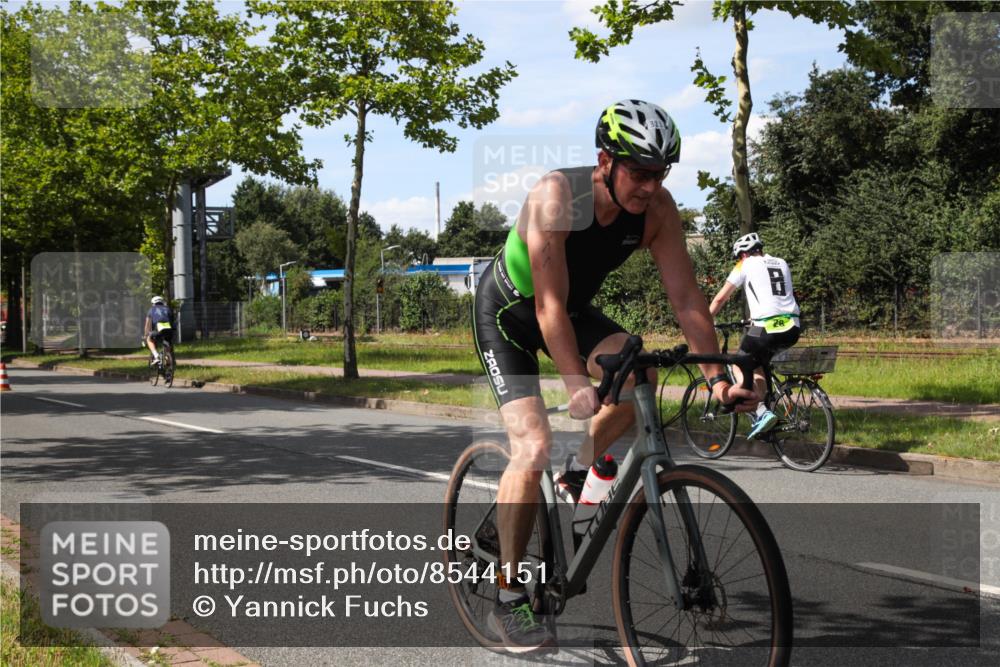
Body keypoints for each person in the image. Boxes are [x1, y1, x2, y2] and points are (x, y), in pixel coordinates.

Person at [471, 99, 758, 652]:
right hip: (510, 314)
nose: (651, 186)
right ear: (605, 160)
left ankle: (576, 475)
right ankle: (508, 598)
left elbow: (687, 297)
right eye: (640, 171)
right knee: (531, 447)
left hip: (569, 312)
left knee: (639, 372)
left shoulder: (658, 211)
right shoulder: (557, 197)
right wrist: (577, 382)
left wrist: (720, 378)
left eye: (661, 173)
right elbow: (548, 309)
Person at [708, 232, 801, 439]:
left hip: (766, 328)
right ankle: (765, 410)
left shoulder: (745, 264)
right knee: (757, 363)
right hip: (793, 326)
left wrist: (704, 321)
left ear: (742, 255)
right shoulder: (781, 262)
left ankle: (760, 411)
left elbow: (720, 298)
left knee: (737, 362)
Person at [144, 296, 174, 365]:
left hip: (158, 330)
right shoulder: (168, 309)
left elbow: (147, 325)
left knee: (149, 339)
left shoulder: (151, 310)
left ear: (153, 303)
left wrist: (146, 334)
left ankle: (156, 356)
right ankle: (168, 358)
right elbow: (172, 321)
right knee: (168, 341)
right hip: (169, 330)